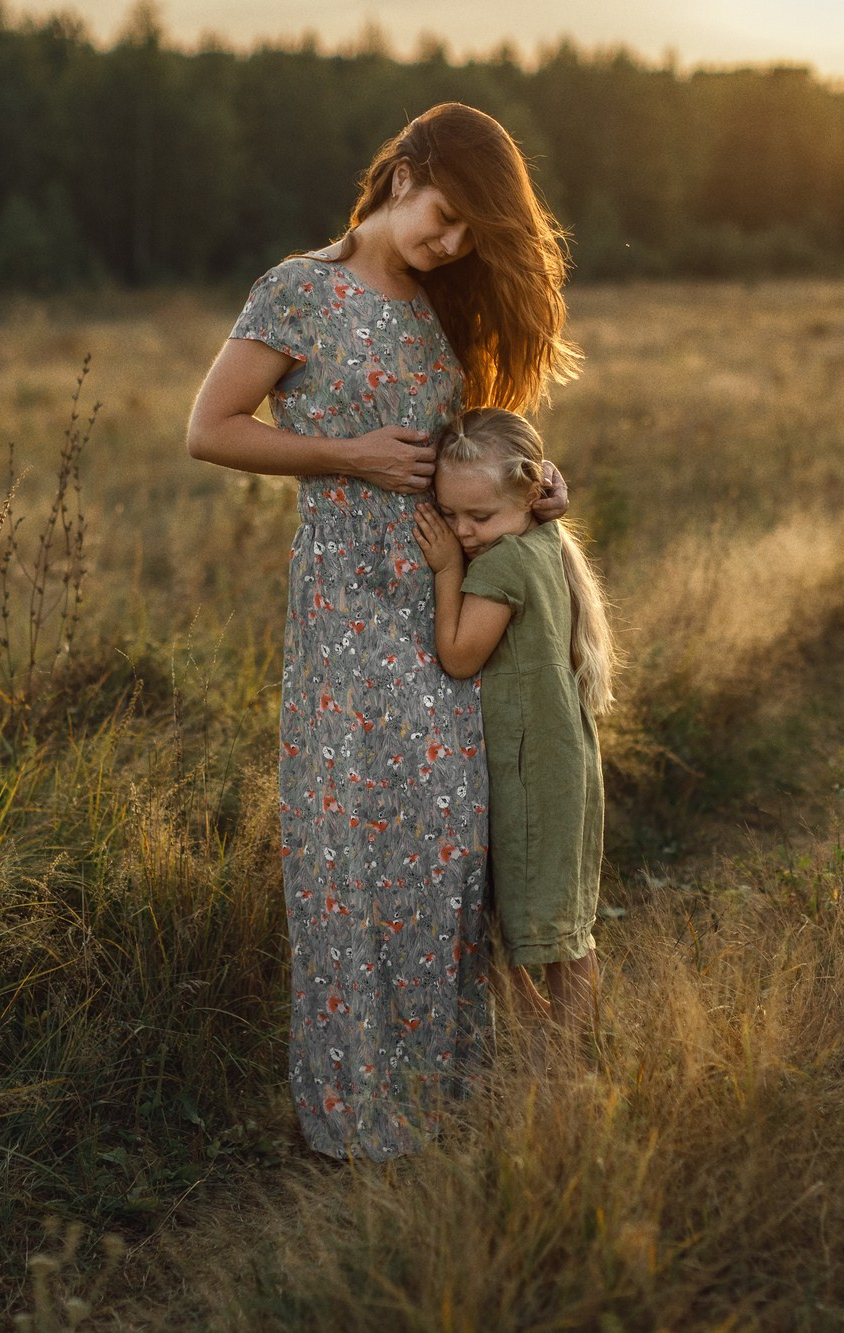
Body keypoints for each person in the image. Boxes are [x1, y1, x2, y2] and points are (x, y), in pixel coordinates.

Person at [184, 103, 581, 1161]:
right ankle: (360, 1116)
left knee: (451, 841)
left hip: (452, 606)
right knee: (351, 848)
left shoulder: (445, 306)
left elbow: (475, 439)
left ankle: (450, 1096)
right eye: (444, 218)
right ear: (403, 172)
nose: (448, 245)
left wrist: (533, 478)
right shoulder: (299, 289)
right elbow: (208, 430)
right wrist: (346, 455)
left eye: (467, 236)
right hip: (345, 609)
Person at [412, 409, 615, 1042]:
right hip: (563, 755)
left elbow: (459, 654)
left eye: (480, 517)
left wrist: (447, 569)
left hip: (534, 772)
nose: (465, 531)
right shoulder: (544, 538)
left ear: (528, 499)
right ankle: (559, 1045)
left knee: (543, 928)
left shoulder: (497, 567)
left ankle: (567, 1061)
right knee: (560, 923)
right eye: (450, 515)